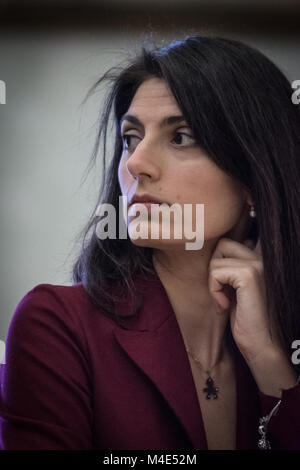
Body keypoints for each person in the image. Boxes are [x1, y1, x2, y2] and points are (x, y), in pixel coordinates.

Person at [1, 34, 300, 450]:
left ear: (253, 176)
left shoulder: (289, 342)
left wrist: (271, 366)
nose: (136, 162)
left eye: (181, 137)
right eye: (130, 138)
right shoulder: (57, 326)